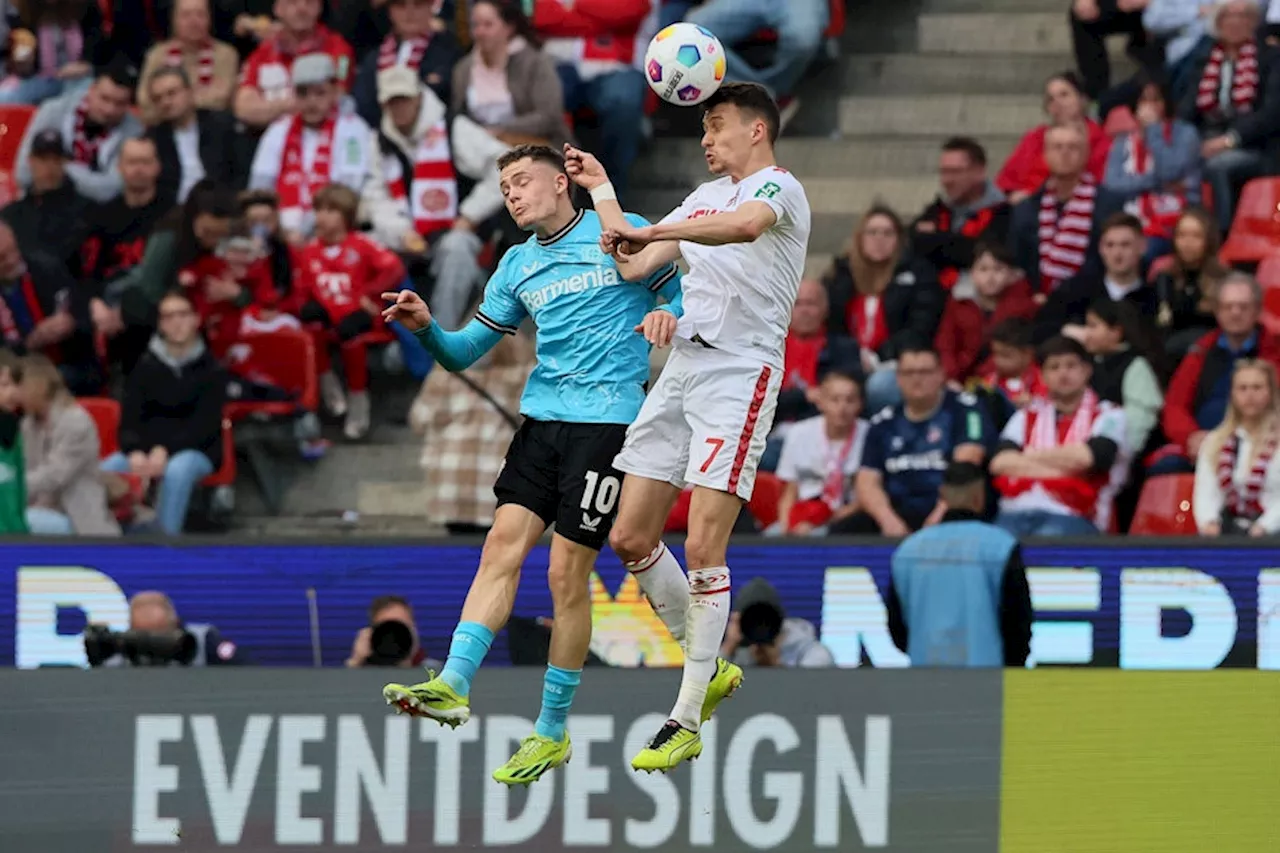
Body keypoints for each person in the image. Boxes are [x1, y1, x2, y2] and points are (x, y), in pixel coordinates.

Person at [378, 144, 684, 785]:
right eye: (506, 186)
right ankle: (455, 682)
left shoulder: (617, 231)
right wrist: (428, 327)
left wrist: (666, 313)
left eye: (522, 181)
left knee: (566, 575)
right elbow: (464, 354)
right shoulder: (516, 265)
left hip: (606, 427)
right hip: (543, 425)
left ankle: (550, 731)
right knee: (500, 547)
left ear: (560, 183)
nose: (513, 194)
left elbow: (681, 296)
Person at [574, 83, 811, 772]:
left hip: (741, 374)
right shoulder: (698, 200)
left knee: (704, 541)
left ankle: (682, 715)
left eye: (716, 126)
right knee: (630, 534)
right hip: (681, 370)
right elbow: (633, 261)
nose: (706, 140)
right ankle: (708, 669)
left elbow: (741, 229)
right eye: (702, 129)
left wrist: (657, 230)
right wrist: (604, 192)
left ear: (757, 131)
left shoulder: (780, 190)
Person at [363, 65, 502, 330]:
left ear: (418, 96)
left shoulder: (452, 127)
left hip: (452, 233)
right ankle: (387, 341)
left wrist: (470, 215)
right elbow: (375, 196)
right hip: (408, 237)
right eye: (392, 101)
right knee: (363, 246)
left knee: (457, 248)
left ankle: (441, 338)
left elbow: (504, 165)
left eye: (404, 99)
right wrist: (400, 232)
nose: (399, 107)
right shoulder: (380, 141)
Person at [886, 461, 1032, 667]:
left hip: (924, 681)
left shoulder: (907, 551)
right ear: (979, 497)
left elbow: (897, 628)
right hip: (987, 683)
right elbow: (1018, 623)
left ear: (942, 496)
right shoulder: (1001, 546)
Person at [103, 289, 225, 535]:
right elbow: (129, 422)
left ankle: (165, 545)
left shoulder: (212, 370)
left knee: (177, 470)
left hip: (197, 451)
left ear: (195, 319)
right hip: (148, 450)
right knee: (108, 467)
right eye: (168, 317)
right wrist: (137, 451)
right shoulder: (143, 367)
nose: (177, 322)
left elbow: (203, 428)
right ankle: (102, 541)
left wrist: (165, 451)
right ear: (160, 324)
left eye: (182, 314)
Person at [295, 184, 406, 440]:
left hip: (356, 313)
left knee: (349, 328)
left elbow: (394, 268)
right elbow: (302, 288)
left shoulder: (361, 245)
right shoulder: (309, 250)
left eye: (330, 210)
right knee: (310, 318)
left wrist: (368, 293)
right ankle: (326, 382)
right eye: (319, 209)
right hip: (327, 313)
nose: (322, 216)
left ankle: (358, 400)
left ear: (346, 216)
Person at [991, 335, 1130, 536]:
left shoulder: (1110, 415)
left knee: (1047, 540)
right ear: (1043, 376)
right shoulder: (1026, 415)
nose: (1063, 373)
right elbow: (1000, 463)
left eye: (1071, 366)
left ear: (1087, 370)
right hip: (1015, 512)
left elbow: (1088, 458)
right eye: (1054, 367)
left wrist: (1028, 455)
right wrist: (1067, 469)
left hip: (1074, 516)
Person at [849, 342, 994, 535]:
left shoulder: (967, 410)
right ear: (898, 378)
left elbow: (968, 464)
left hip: (951, 508)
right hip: (898, 512)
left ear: (941, 374)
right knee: (848, 529)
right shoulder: (882, 423)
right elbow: (867, 480)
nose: (917, 379)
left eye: (925, 372)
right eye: (909, 373)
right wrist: (888, 520)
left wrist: (940, 514)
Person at [823, 205, 944, 413]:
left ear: (899, 239)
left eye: (888, 233)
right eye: (872, 232)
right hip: (848, 360)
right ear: (860, 238)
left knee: (880, 386)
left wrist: (879, 355)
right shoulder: (840, 275)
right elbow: (831, 325)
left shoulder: (918, 274)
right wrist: (853, 355)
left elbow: (920, 328)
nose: (879, 239)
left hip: (896, 362)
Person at [1160, 272, 1280, 472]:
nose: (1235, 313)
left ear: (1258, 310)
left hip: (1263, 447)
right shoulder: (1200, 351)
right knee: (1164, 469)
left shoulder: (1275, 350)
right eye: (1228, 306)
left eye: (1243, 306)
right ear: (1217, 311)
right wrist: (1191, 437)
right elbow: (1174, 406)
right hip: (1204, 447)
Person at [248, 53, 373, 243]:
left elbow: (348, 189)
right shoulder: (278, 129)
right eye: (303, 94)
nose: (311, 102)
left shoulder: (353, 129)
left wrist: (306, 229)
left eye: (320, 93)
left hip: (331, 230)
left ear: (334, 91)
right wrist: (269, 226)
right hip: (279, 232)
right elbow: (260, 186)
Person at [1179, 0, 1280, 234]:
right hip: (1206, 138)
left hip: (1253, 144)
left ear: (1254, 23)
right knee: (1175, 162)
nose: (1236, 23)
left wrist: (1229, 140)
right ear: (1218, 22)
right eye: (1229, 16)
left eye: (1243, 16)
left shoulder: (1271, 58)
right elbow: (1187, 108)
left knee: (1218, 166)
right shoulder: (1205, 58)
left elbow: (1272, 113)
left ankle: (1220, 237)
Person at [1009, 122, 1125, 297]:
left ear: (1086, 154)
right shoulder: (1026, 209)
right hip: (1036, 303)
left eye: (1073, 147)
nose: (1065, 153)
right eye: (1057, 147)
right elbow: (1016, 264)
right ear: (1045, 154)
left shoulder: (1110, 204)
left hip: (1094, 301)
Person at [1102, 73, 1201, 263]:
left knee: (1142, 252)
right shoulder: (1123, 142)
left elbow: (1169, 171)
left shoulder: (1186, 135)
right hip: (1133, 221)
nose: (1150, 107)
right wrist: (1154, 181)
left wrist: (1153, 131)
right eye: (1143, 100)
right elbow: (1112, 184)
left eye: (1156, 100)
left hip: (1178, 220)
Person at [14, 59, 143, 203]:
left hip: (96, 214)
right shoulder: (53, 111)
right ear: (91, 90)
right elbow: (23, 173)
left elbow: (112, 189)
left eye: (119, 103)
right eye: (104, 99)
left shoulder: (134, 131)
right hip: (43, 203)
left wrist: (62, 169)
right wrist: (87, 179)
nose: (109, 110)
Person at [451, 0, 571, 151]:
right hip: (481, 151)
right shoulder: (463, 69)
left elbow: (549, 116)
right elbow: (459, 116)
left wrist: (500, 130)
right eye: (475, 25)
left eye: (488, 25)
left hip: (537, 147)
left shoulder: (535, 62)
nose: (480, 32)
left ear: (509, 27)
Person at [19, 354, 118, 535]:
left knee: (25, 520)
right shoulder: (28, 424)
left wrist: (13, 486)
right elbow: (26, 467)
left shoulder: (75, 422)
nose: (16, 395)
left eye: (20, 387)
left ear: (35, 386)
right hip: (43, 507)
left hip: (75, 517)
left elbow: (55, 476)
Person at [1033, 212, 1160, 344]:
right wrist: (1072, 331)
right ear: (1101, 248)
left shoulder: (1154, 294)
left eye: (1125, 245)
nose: (1117, 253)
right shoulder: (1076, 290)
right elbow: (1041, 328)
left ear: (1142, 247)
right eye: (1110, 245)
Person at [771, 369, 867, 535]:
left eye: (849, 400)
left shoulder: (869, 434)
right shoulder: (798, 433)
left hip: (846, 520)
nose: (842, 407)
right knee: (771, 541)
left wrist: (825, 522)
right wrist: (787, 528)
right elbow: (789, 491)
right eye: (834, 400)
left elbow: (867, 495)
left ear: (860, 404)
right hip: (802, 515)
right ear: (820, 401)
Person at [234, 0, 355, 131]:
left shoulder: (341, 51)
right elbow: (243, 108)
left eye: (309, 3)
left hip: (323, 135)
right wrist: (294, 105)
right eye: (292, 2)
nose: (301, 9)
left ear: (319, 8)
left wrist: (269, 108)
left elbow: (338, 94)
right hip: (267, 136)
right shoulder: (261, 54)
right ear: (277, 9)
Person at [911, 137, 1011, 291]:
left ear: (979, 172)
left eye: (955, 172)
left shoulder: (1004, 212)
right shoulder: (938, 208)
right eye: (943, 171)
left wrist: (935, 239)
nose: (947, 180)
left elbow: (983, 255)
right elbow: (913, 238)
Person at [1194, 359, 1280, 536]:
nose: (1250, 395)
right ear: (1232, 394)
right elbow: (1206, 491)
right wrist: (1209, 522)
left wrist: (1265, 527)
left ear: (1271, 392)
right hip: (1230, 532)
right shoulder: (1215, 441)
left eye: (1257, 387)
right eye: (1243, 388)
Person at [997, 72, 1111, 204]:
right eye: (1051, 99)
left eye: (1064, 95)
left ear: (1082, 99)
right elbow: (1007, 182)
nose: (1057, 103)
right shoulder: (1034, 138)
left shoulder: (1102, 141)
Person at [934, 241, 1038, 386]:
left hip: (1003, 379)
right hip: (960, 378)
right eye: (983, 269)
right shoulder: (958, 302)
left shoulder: (1023, 306)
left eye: (998, 269)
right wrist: (950, 377)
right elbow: (946, 343)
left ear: (1010, 274)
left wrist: (982, 379)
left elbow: (1015, 353)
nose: (990, 277)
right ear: (972, 273)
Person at [353, 0, 458, 127]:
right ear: (390, 11)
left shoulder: (449, 51)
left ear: (431, 7)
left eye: (418, 5)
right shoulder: (374, 59)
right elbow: (364, 103)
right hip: (384, 139)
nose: (410, 13)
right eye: (401, 5)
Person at [147, 66, 243, 204]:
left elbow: (239, 172)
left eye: (172, 93)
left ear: (190, 92)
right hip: (174, 212)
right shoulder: (153, 139)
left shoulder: (222, 125)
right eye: (158, 98)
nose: (165, 102)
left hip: (221, 206)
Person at [0, 127, 93, 267]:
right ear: (31, 161)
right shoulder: (11, 215)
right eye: (43, 159)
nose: (49, 167)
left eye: (55, 160)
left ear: (65, 162)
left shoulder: (86, 212)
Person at [137, 0, 239, 124]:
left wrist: (170, 103)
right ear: (174, 20)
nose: (194, 22)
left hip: (212, 129)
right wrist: (197, 98)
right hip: (163, 128)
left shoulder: (226, 54)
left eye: (200, 14)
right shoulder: (157, 55)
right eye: (186, 15)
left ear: (209, 19)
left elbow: (221, 99)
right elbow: (145, 100)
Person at [1153, 207, 1228, 356]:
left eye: (1196, 236)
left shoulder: (1224, 279)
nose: (1187, 243)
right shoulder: (1165, 278)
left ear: (1209, 240)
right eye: (1182, 235)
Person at [0, 0, 103, 106]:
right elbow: (24, 70)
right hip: (43, 80)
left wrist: (86, 65)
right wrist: (24, 63)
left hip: (81, 78)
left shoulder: (85, 7)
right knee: (4, 97)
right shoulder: (23, 14)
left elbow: (101, 50)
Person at [719, 577, 835, 668]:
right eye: (751, 620)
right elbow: (706, 689)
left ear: (780, 622)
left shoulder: (812, 653)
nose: (759, 626)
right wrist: (728, 648)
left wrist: (775, 666)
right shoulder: (737, 651)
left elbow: (812, 692)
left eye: (765, 620)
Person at [0, 349, 27, 534]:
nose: (14, 392)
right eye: (4, 384)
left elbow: (20, 489)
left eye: (17, 384)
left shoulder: (15, 431)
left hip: (14, 537)